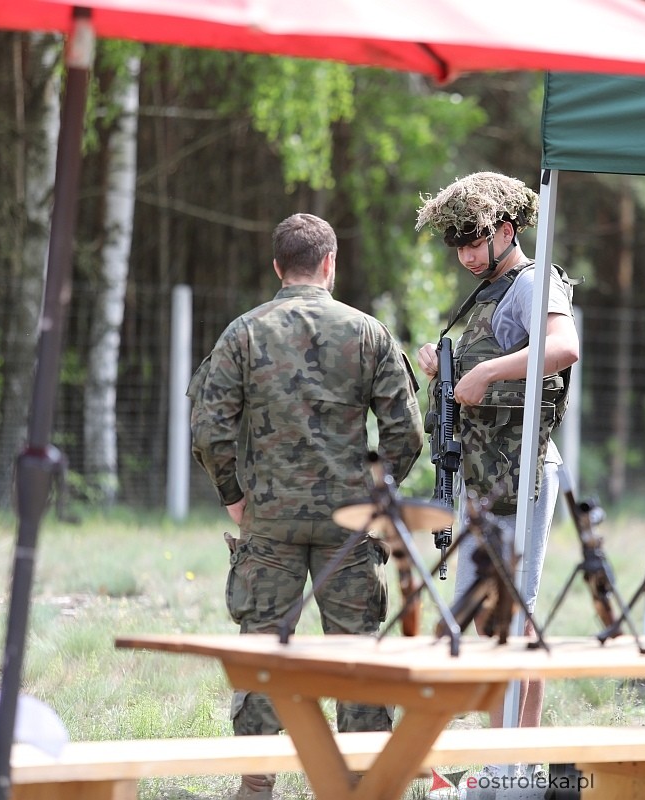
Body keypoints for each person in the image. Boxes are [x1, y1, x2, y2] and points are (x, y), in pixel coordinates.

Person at [189, 213, 424, 800]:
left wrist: (234, 497)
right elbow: (407, 432)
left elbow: (209, 426)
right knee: (354, 651)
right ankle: (363, 784)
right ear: (330, 263)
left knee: (265, 650)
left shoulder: (243, 333)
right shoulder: (368, 332)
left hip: (268, 518)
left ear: (277, 267)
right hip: (349, 521)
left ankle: (256, 783)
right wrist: (377, 494)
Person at [413, 172, 580, 738]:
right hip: (487, 475)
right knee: (484, 616)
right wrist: (448, 369)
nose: (463, 255)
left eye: (472, 242)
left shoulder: (533, 283)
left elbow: (563, 346)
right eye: (456, 244)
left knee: (512, 615)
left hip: (520, 474)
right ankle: (499, 748)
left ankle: (518, 753)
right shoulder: (489, 291)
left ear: (506, 230)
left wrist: (485, 370)